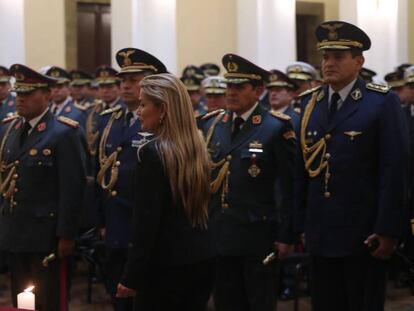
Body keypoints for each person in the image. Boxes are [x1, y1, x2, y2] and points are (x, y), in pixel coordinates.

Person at [294, 21, 409, 311]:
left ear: (359, 61)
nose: (329, 63)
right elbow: (302, 174)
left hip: (363, 232)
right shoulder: (310, 104)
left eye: (339, 56)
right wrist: (300, 225)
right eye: (325, 57)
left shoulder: (381, 103)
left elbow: (393, 171)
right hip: (321, 231)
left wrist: (387, 229)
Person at [199, 53, 296, 311]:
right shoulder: (214, 125)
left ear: (258, 90)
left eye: (239, 87)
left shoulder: (274, 128)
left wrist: (287, 234)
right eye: (229, 86)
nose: (231, 92)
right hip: (221, 232)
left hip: (258, 235)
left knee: (258, 301)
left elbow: (287, 187)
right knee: (226, 302)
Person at [116, 73, 214, 311]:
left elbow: (146, 224)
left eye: (143, 104)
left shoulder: (152, 153)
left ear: (163, 110)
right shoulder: (197, 146)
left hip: (162, 267)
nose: (138, 111)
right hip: (200, 260)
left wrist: (131, 276)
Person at [0, 64, 86, 311]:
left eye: (28, 93)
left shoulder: (63, 132)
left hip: (46, 235)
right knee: (21, 298)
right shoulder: (10, 129)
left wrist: (67, 234)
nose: (21, 99)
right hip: (15, 230)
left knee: (49, 300)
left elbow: (72, 189)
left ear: (47, 95)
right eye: (19, 94)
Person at [96, 48, 167, 311]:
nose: (125, 86)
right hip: (115, 225)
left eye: (134, 80)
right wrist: (101, 219)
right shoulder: (111, 120)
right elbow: (101, 174)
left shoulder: (162, 122)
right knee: (118, 299)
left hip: (146, 229)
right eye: (123, 80)